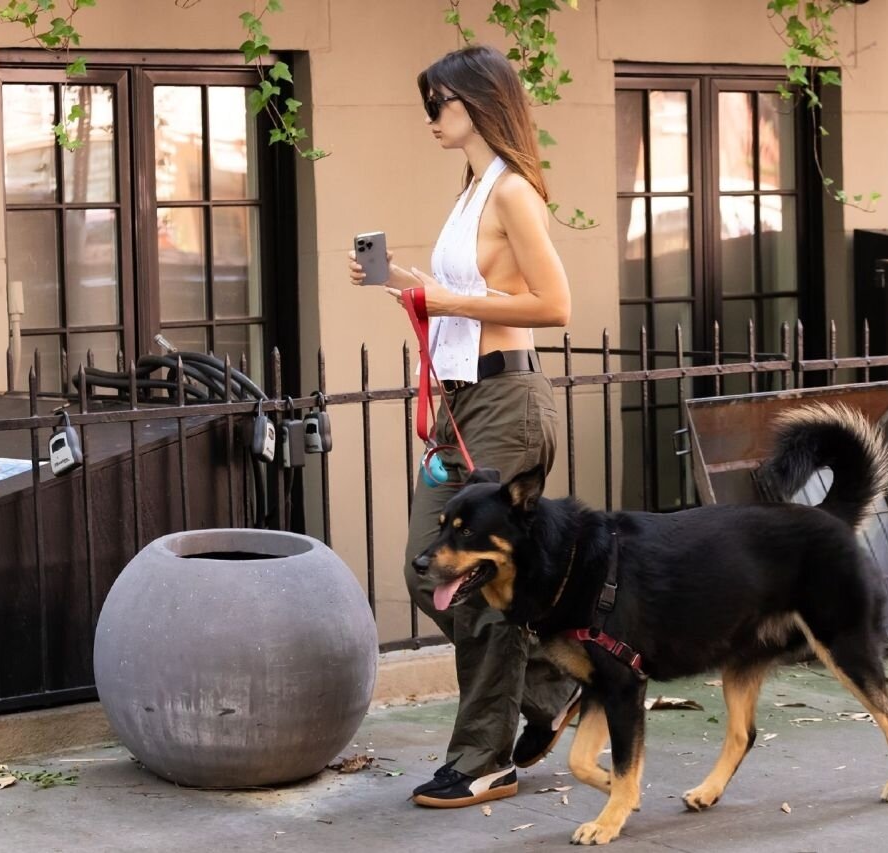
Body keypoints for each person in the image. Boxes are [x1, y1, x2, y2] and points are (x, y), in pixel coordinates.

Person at [348, 44, 581, 808]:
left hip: (506, 404)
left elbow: (554, 304)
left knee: (472, 579)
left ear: (479, 102)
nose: (428, 119)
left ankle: (484, 759)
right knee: (428, 566)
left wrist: (448, 301)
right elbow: (470, 290)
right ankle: (553, 683)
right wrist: (405, 283)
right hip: (462, 408)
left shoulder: (512, 190)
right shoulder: (473, 190)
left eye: (437, 104)